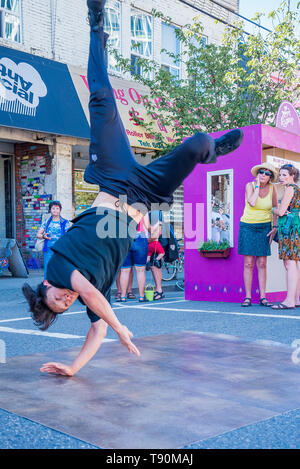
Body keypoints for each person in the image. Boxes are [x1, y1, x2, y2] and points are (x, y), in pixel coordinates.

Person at [22, 0, 244, 377]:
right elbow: (96, 327)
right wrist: (74, 368)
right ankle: (208, 150)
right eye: (65, 303)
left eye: (57, 296)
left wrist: (121, 328)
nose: (66, 297)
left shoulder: (59, 267)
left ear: (46, 285)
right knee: (194, 144)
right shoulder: (89, 293)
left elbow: (93, 299)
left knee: (101, 99)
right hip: (142, 196)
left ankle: (96, 25)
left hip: (113, 178)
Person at [238, 163, 278, 307]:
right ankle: (248, 297)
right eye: (261, 172)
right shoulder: (250, 186)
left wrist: (274, 226)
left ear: (270, 178)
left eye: (267, 174)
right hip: (248, 226)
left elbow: (275, 208)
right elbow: (252, 202)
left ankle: (263, 297)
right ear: (257, 174)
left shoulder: (272, 188)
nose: (263, 175)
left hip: (264, 227)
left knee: (262, 263)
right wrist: (256, 186)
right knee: (248, 263)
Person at [271, 164, 300, 310]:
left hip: (289, 229)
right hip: (294, 227)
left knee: (290, 264)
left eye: (284, 175)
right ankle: (295, 298)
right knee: (293, 264)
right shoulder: (297, 189)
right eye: (280, 175)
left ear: (292, 176)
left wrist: (272, 209)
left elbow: (281, 211)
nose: (280, 178)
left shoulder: (290, 188)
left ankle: (290, 300)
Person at [118, 214, 150, 302]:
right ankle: (141, 296)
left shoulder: (123, 208)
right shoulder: (143, 208)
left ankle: (123, 296)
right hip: (140, 237)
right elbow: (148, 226)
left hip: (125, 238)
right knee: (140, 270)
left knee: (124, 271)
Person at [36, 201, 70, 278]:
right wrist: (44, 236)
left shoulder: (65, 222)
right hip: (48, 249)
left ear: (60, 210)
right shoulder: (47, 222)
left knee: (60, 269)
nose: (55, 210)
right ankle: (46, 287)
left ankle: (59, 287)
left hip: (60, 250)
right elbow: (38, 234)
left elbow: (69, 236)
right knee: (48, 269)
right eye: (53, 208)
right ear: (50, 210)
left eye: (57, 208)